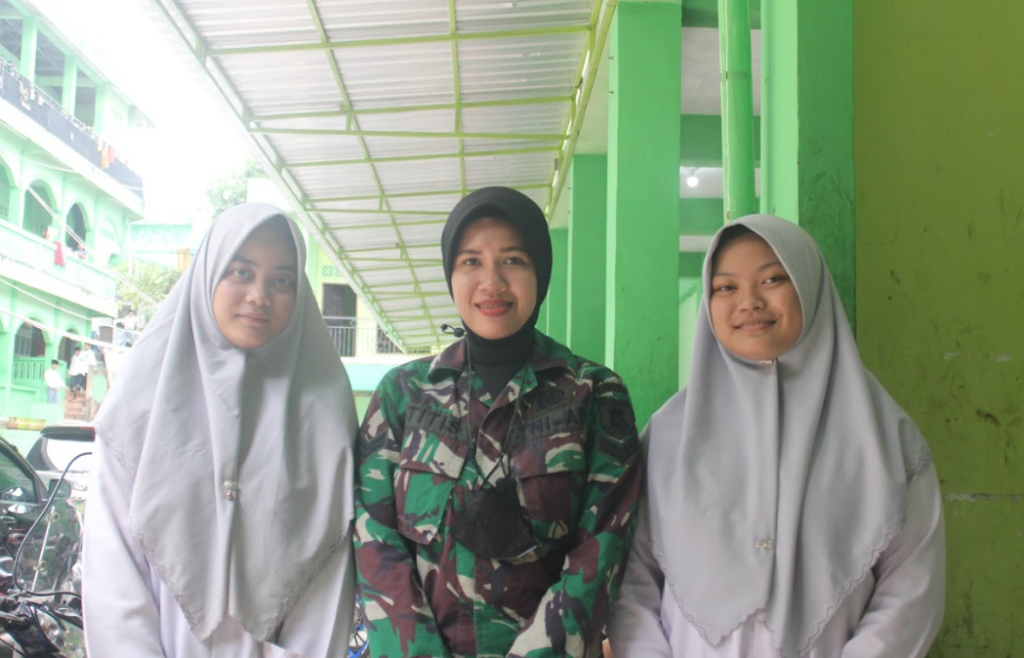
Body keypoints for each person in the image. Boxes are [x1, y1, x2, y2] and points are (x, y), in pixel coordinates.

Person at [608, 215, 945, 658]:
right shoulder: (669, 436)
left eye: (772, 279)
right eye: (726, 287)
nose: (749, 302)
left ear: (810, 287)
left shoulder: (885, 438)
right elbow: (632, 582)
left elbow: (911, 588)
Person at [354, 186, 642, 658]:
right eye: (471, 261)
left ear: (540, 271)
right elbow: (374, 540)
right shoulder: (402, 393)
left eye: (513, 260)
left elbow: (603, 546)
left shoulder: (593, 393)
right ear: (450, 274)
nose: (492, 282)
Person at [83, 203, 360, 658]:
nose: (259, 295)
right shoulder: (138, 405)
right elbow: (111, 568)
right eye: (241, 272)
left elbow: (328, 578)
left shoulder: (325, 416)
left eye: (282, 281)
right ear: (208, 274)